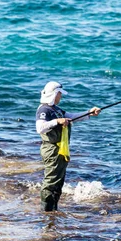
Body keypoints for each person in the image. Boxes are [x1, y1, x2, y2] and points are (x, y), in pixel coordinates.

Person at [35, 81, 100, 211]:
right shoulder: (44, 109)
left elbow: (71, 117)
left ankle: (53, 210)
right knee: (51, 182)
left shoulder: (57, 110)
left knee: (58, 182)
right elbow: (40, 128)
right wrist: (57, 121)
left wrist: (89, 113)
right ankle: (46, 211)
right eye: (59, 94)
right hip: (51, 149)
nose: (61, 97)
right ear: (54, 94)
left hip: (61, 150)